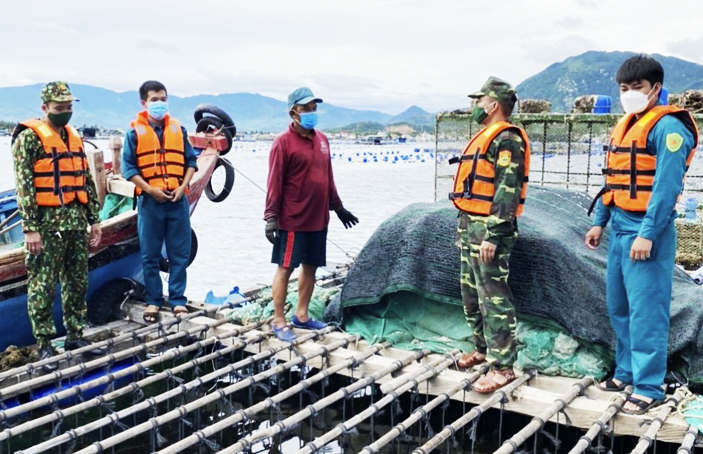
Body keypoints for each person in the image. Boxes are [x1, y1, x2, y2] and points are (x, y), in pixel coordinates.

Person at [585, 55, 698, 415]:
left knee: (647, 311)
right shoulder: (625, 124)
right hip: (619, 224)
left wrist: (648, 233)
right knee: (619, 307)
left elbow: (665, 189)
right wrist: (599, 220)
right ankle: (626, 372)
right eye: (624, 88)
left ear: (656, 89)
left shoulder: (669, 128)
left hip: (648, 227)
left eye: (637, 87)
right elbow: (613, 179)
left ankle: (650, 386)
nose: (630, 94)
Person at [12, 81, 106, 370]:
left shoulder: (73, 136)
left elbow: (86, 180)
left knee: (77, 282)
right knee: (42, 285)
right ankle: (44, 344)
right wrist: (30, 228)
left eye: (68, 108)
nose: (64, 113)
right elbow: (25, 186)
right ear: (44, 108)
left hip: (76, 222)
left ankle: (75, 335)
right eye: (58, 108)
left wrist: (94, 219)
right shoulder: (29, 139)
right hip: (46, 224)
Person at [449, 77, 530, 393]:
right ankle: (482, 349)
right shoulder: (485, 136)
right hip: (469, 225)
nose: (475, 106)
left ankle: (503, 367)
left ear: (493, 104)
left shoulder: (507, 139)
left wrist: (494, 235)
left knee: (493, 297)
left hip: (489, 229)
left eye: (478, 100)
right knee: (471, 294)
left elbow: (506, 191)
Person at [264, 87, 358, 342]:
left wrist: (338, 207)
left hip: (319, 218)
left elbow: (327, 179)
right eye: (307, 109)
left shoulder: (323, 140)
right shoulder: (282, 143)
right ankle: (279, 319)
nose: (312, 113)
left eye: (314, 108)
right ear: (294, 111)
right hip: (292, 219)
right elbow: (274, 181)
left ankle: (302, 315)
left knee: (311, 267)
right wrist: (271, 217)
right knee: (286, 267)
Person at [122, 80, 198, 322]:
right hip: (150, 202)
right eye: (155, 99)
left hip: (177, 201)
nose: (160, 104)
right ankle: (153, 300)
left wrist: (183, 187)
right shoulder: (134, 133)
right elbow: (129, 169)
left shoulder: (179, 130)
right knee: (150, 255)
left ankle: (177, 300)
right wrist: (149, 189)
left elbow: (191, 162)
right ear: (144, 103)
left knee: (179, 254)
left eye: (163, 99)